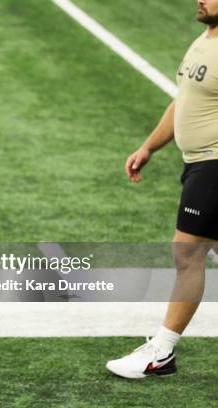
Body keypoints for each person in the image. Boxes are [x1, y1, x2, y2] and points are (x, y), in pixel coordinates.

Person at [106, 0, 218, 379]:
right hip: (197, 163)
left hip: (214, 164)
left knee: (187, 254)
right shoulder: (204, 40)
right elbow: (183, 99)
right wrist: (149, 146)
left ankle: (161, 351)